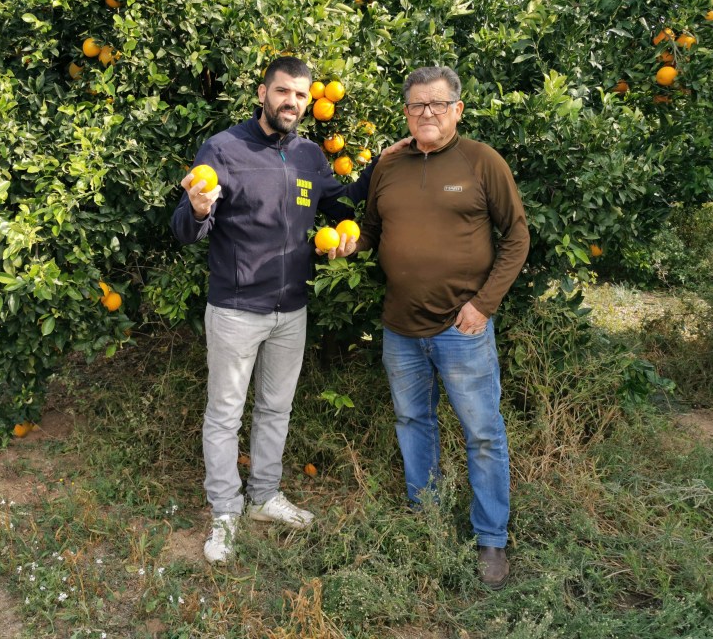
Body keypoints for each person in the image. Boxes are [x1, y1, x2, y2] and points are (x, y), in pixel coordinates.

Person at [171, 56, 405, 564]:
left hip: (291, 309)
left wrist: (383, 164)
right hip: (235, 308)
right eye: (282, 92)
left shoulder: (309, 157)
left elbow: (340, 205)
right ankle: (225, 514)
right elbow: (186, 230)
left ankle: (264, 496)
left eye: (300, 95)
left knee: (277, 408)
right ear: (262, 93)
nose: (292, 102)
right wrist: (197, 208)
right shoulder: (223, 148)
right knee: (225, 415)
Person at [353, 65, 529, 589]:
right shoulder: (388, 165)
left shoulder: (481, 161)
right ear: (405, 111)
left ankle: (491, 539)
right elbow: (370, 231)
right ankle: (426, 518)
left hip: (463, 329)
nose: (426, 112)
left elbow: (516, 236)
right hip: (400, 328)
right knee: (414, 423)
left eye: (436, 103)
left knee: (482, 433)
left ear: (457, 108)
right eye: (416, 105)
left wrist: (483, 305)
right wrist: (348, 244)